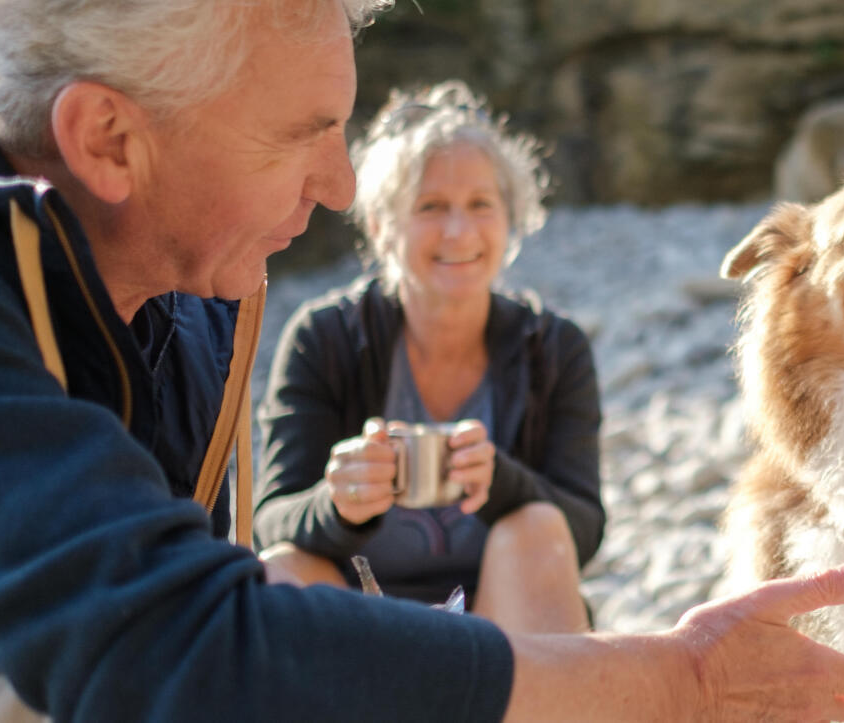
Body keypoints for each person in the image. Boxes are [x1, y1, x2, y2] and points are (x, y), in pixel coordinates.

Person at [0, 0, 844, 720]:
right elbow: (182, 649)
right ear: (107, 138)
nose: (340, 186)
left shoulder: (184, 284)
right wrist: (668, 679)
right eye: (302, 135)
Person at [255, 82, 599, 633]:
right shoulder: (325, 338)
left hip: (505, 624)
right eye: (430, 207)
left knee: (536, 528)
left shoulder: (553, 348)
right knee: (280, 570)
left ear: (511, 219)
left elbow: (582, 531)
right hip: (360, 621)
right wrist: (337, 503)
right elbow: (270, 522)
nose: (459, 231)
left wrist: (503, 485)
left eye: (480, 205)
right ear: (380, 226)